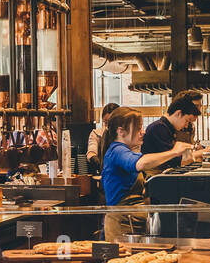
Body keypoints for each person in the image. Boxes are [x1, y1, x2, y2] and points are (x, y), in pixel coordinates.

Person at [100, 107, 195, 243]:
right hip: (122, 226)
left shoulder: (129, 151)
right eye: (138, 129)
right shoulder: (117, 150)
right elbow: (141, 163)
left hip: (133, 222)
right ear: (121, 131)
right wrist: (174, 151)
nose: (143, 132)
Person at [139, 96, 200, 172]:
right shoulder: (159, 127)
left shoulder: (168, 128)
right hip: (154, 175)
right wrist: (200, 153)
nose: (186, 125)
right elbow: (173, 160)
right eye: (187, 121)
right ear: (178, 113)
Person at [85, 102, 119, 171]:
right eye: (106, 122)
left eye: (111, 122)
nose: (108, 126)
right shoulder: (97, 133)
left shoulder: (124, 135)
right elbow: (92, 150)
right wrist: (93, 158)